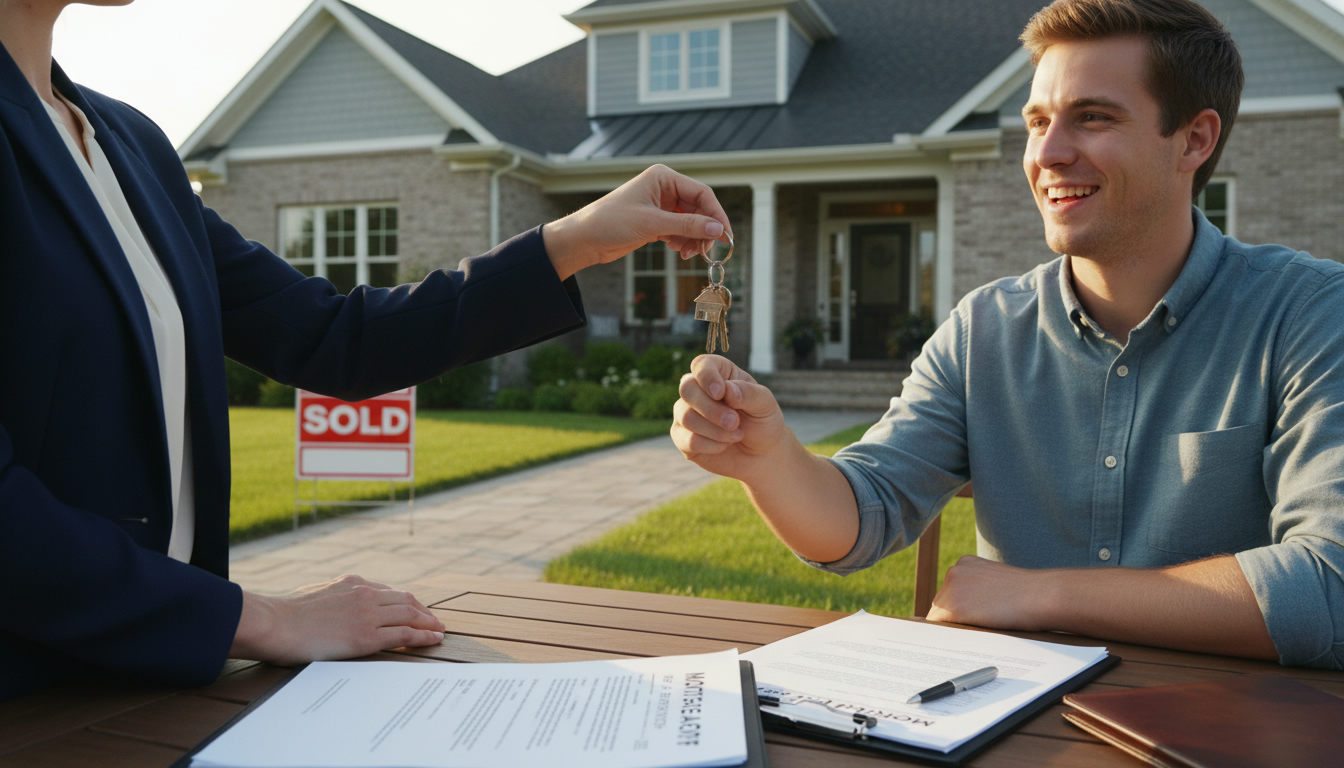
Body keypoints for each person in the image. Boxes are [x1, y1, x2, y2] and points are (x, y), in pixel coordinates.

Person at [0, 0, 733, 701]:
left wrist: (576, 240)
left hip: (151, 691)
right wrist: (262, 619)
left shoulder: (132, 147)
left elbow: (334, 337)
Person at [673, 0, 1344, 670]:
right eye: (1037, 122)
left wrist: (1041, 595)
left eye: (1094, 117)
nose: (1048, 153)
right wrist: (768, 459)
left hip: (1233, 731)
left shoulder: (1308, 315)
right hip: (1015, 729)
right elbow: (864, 517)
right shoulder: (984, 330)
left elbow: (1331, 587)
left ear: (1194, 140)